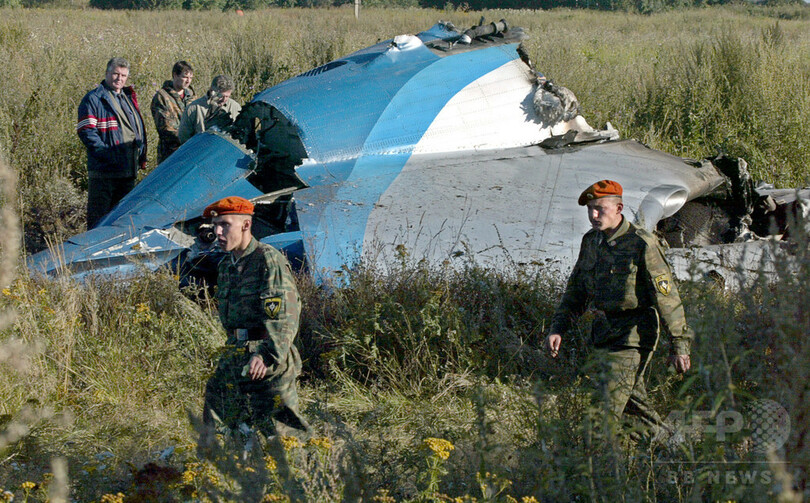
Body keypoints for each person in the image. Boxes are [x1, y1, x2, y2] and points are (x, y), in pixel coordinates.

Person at [545, 180, 692, 439]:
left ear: (618, 208)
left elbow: (666, 297)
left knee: (603, 412)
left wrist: (679, 345)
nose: (593, 215)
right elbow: (576, 291)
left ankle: (592, 461)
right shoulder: (591, 242)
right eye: (590, 209)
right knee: (632, 411)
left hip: (632, 337)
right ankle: (673, 450)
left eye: (599, 209)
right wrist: (558, 328)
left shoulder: (641, 243)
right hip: (603, 335)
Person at [201, 196, 309, 449]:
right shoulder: (227, 265)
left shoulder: (267, 259)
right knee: (218, 418)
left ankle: (305, 468)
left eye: (225, 225)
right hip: (236, 353)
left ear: (246, 225)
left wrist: (266, 355)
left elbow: (284, 316)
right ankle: (228, 466)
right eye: (215, 225)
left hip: (266, 355)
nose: (218, 232)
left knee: (281, 430)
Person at [77, 57, 147, 229]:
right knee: (99, 220)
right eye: (116, 74)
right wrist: (106, 155)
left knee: (121, 222)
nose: (119, 78)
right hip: (104, 173)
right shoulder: (94, 98)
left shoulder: (127, 97)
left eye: (123, 75)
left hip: (127, 171)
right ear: (107, 73)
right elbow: (86, 131)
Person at [150, 60, 195, 163]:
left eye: (191, 78)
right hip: (170, 154)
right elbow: (165, 128)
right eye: (185, 77)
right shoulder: (162, 97)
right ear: (175, 75)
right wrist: (189, 138)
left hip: (190, 153)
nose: (188, 81)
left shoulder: (191, 96)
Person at [178, 75, 241, 144]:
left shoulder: (235, 108)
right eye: (220, 96)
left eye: (227, 96)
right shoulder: (193, 108)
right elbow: (184, 138)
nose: (224, 99)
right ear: (211, 91)